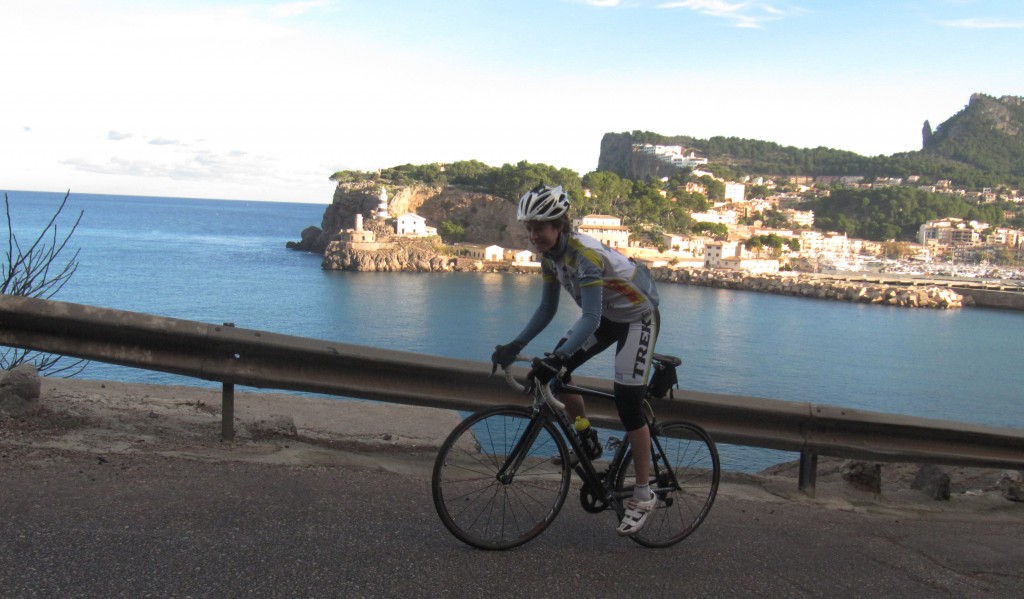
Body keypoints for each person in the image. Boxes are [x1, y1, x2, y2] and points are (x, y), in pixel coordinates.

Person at [491, 183, 661, 536]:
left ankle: (644, 494)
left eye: (540, 227)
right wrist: (514, 344)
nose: (533, 234)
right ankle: (586, 436)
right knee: (555, 374)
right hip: (607, 319)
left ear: (559, 225)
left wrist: (557, 357)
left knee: (628, 404)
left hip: (635, 317)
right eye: (530, 228)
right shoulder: (550, 257)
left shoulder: (585, 254)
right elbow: (547, 308)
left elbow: (592, 318)